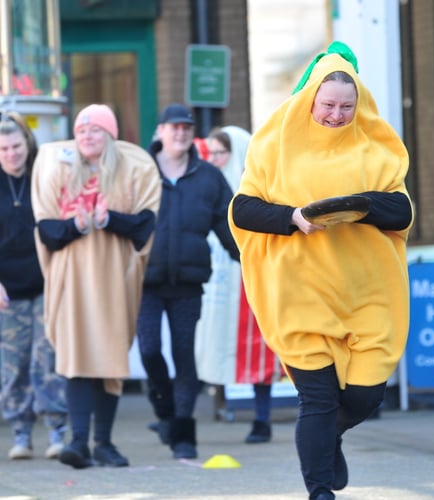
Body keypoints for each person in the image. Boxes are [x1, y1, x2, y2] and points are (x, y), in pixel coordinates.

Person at [229, 41, 413, 500]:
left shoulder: (379, 149)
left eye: (345, 107)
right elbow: (243, 209)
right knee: (318, 398)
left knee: (365, 397)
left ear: (359, 105)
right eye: (328, 105)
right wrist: (292, 217)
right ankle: (320, 491)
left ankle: (328, 440)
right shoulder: (273, 146)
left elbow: (402, 211)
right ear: (310, 98)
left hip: (366, 294)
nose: (335, 114)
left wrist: (359, 207)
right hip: (299, 296)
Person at [31, 104, 161, 468]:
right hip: (71, 277)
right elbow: (46, 229)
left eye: (96, 130)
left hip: (114, 276)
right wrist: (77, 225)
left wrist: (109, 219)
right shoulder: (57, 170)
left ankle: (103, 442)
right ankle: (77, 443)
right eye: (82, 130)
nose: (87, 136)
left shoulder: (132, 169)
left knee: (110, 357)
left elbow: (144, 224)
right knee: (75, 357)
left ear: (110, 135)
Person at [137, 104, 240, 460]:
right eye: (173, 127)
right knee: (149, 349)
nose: (180, 133)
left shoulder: (208, 177)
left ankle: (183, 436)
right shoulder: (140, 171)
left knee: (184, 356)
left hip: (188, 281)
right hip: (145, 281)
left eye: (186, 128)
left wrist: (252, 258)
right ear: (161, 131)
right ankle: (164, 412)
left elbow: (228, 226)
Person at [195, 125, 278, 444]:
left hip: (248, 282)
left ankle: (262, 417)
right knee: (213, 345)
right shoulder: (207, 186)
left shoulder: (255, 189)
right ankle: (212, 408)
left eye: (221, 153)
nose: (214, 159)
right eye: (211, 152)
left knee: (256, 349)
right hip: (216, 280)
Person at [0, 111, 67, 460]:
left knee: (48, 360)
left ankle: (57, 428)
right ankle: (21, 432)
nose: (11, 154)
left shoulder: (43, 177)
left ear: (26, 144)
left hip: (45, 285)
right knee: (13, 364)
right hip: (8, 293)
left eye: (16, 146)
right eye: (4, 149)